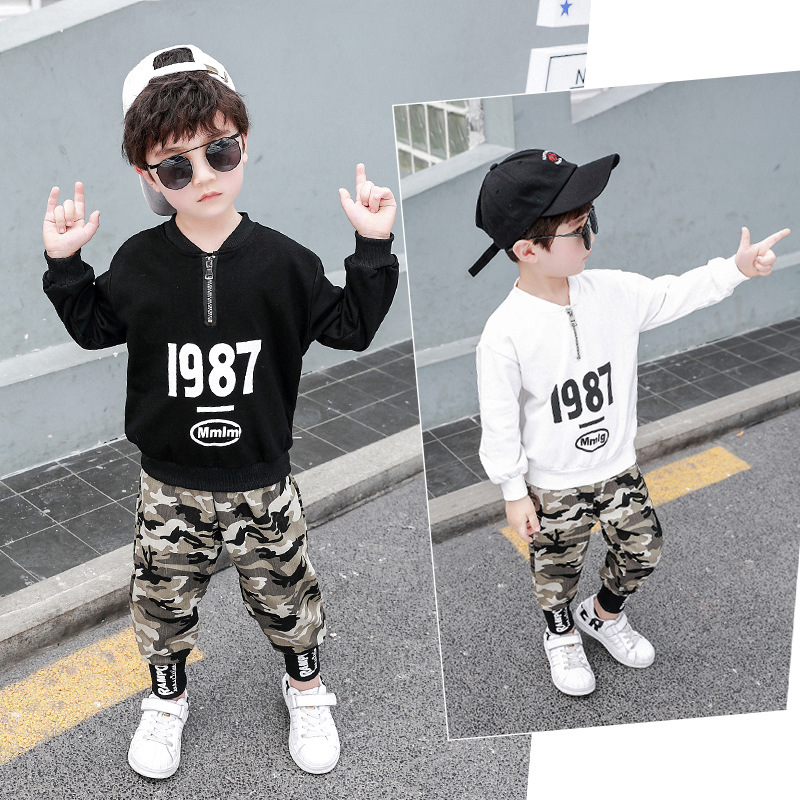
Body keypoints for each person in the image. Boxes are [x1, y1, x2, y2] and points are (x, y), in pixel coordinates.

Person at [41, 45, 399, 778]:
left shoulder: (285, 262)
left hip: (261, 479)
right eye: (176, 166)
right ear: (147, 176)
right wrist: (66, 265)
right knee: (161, 602)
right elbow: (95, 327)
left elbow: (351, 327)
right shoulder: (139, 263)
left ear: (244, 142)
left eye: (219, 151)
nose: (203, 176)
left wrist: (372, 247)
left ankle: (305, 687)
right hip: (168, 484)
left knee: (287, 593)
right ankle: (166, 698)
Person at [469, 148, 789, 696]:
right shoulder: (504, 334)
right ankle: (560, 632)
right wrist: (513, 492)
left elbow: (673, 293)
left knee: (643, 549)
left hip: (617, 468)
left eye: (590, 219)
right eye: (578, 229)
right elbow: (499, 422)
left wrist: (735, 269)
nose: (591, 237)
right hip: (552, 483)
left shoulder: (613, 292)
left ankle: (603, 614)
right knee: (555, 571)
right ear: (528, 250)